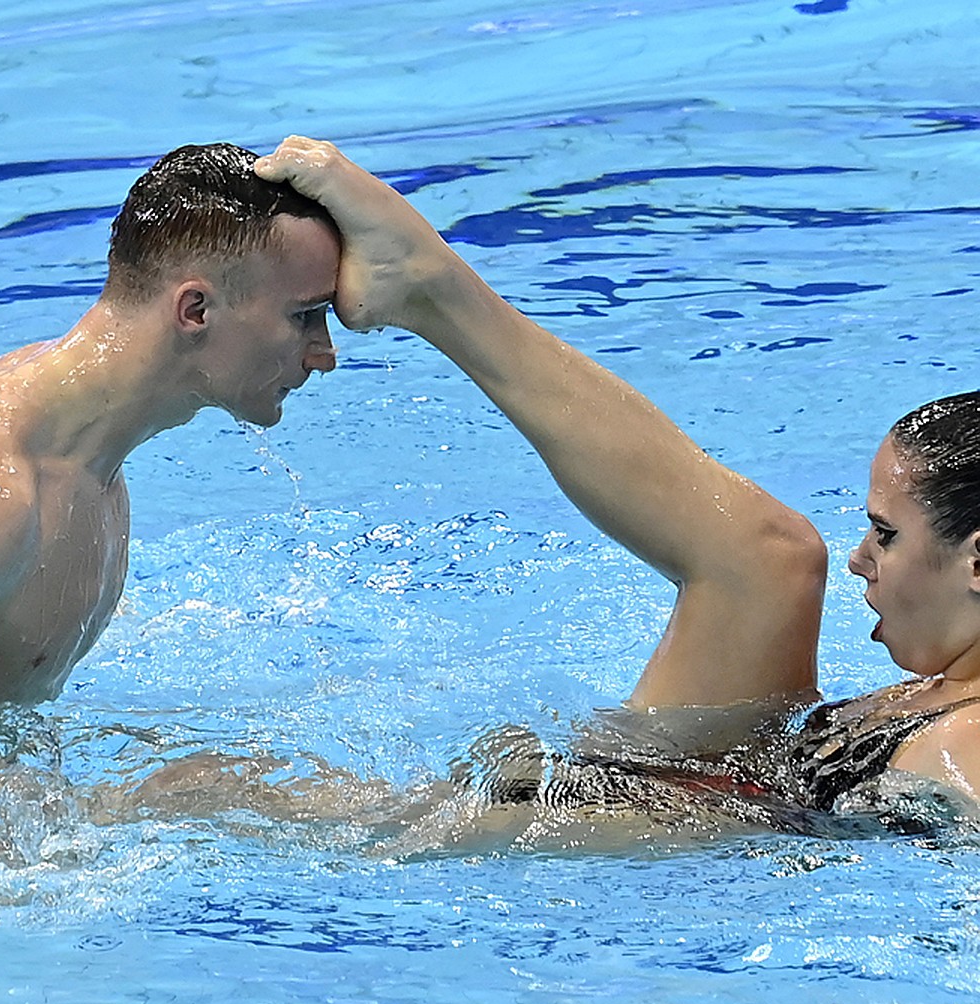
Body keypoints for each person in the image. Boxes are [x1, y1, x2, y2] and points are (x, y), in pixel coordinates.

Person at [246, 136, 980, 839]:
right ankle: (430, 286)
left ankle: (434, 287)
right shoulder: (940, 695)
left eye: (887, 533)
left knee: (767, 557)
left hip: (652, 829)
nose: (863, 558)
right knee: (775, 562)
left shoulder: (966, 744)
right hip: (660, 784)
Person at [0, 143, 339, 952]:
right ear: (195, 310)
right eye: (303, 316)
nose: (323, 354)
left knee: (248, 792)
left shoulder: (89, 465)